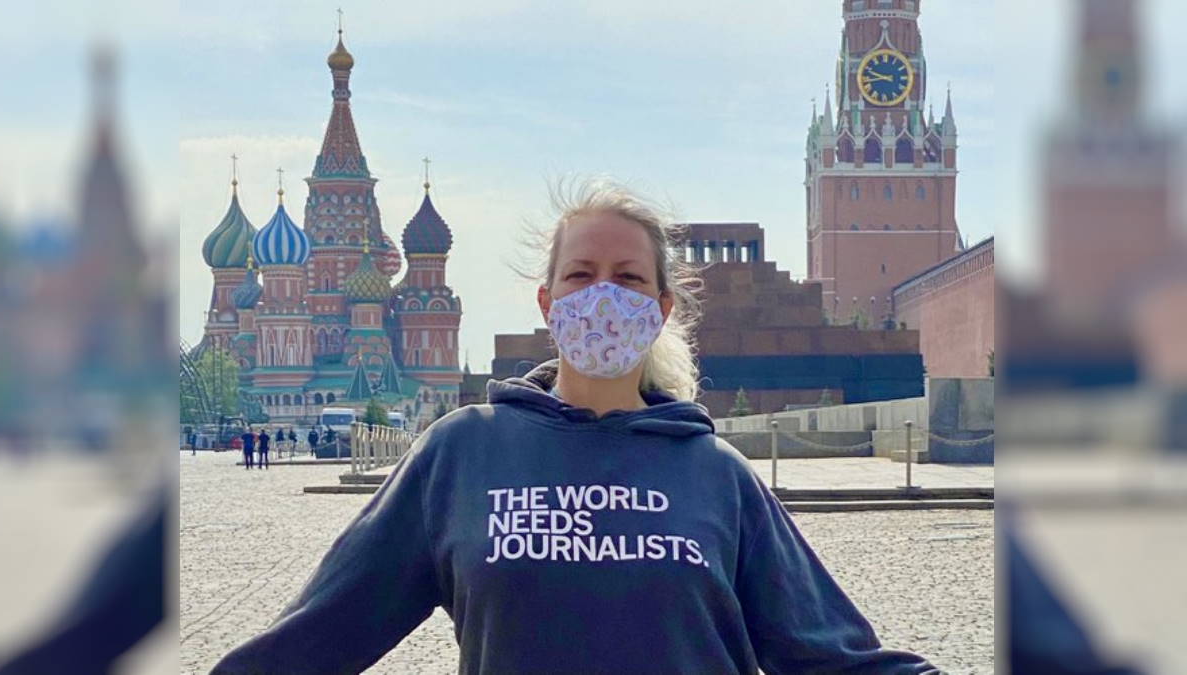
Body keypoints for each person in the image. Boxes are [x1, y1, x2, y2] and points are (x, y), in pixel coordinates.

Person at [212, 179, 940, 674]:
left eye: (628, 278)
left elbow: (834, 657)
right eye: (581, 275)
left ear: (660, 309)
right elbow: (317, 636)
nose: (603, 296)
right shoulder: (463, 453)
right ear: (547, 301)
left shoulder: (715, 474)